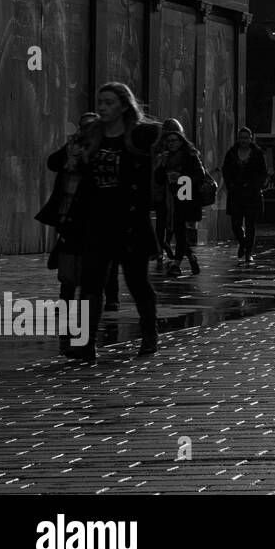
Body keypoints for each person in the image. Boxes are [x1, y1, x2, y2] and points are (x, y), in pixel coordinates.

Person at [71, 82, 162, 361]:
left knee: (137, 282)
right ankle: (85, 343)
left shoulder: (139, 137)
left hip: (130, 221)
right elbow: (61, 165)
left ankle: (149, 334)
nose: (102, 107)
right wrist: (75, 158)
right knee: (91, 283)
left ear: (124, 105)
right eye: (100, 102)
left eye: (109, 102)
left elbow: (163, 135)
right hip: (97, 220)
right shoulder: (93, 135)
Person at [36, 112, 99, 352]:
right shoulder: (71, 147)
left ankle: (85, 328)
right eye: (83, 126)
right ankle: (66, 315)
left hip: (90, 220)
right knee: (67, 272)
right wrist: (69, 150)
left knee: (90, 273)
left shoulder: (99, 151)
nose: (86, 130)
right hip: (67, 216)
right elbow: (52, 163)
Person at [156, 119, 207, 277]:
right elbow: (158, 179)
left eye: (174, 140)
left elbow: (200, 175)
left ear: (181, 140)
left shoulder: (190, 156)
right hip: (169, 199)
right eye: (168, 141)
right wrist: (162, 164)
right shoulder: (166, 157)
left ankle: (176, 265)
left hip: (186, 197)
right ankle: (191, 257)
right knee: (179, 232)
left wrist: (181, 176)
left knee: (180, 232)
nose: (171, 143)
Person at [222, 127, 268, 263]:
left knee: (250, 224)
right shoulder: (231, 153)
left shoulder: (257, 154)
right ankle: (242, 242)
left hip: (252, 194)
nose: (243, 140)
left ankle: (249, 252)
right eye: (241, 137)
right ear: (238, 139)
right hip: (236, 194)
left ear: (251, 138)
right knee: (235, 225)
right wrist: (230, 185)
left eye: (246, 138)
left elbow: (262, 173)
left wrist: (255, 186)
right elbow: (226, 171)